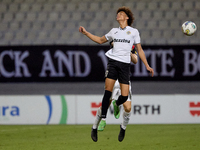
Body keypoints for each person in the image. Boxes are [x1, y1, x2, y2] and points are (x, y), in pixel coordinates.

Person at [79, 6, 154, 142]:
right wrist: (86, 33)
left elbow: (139, 53)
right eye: (117, 14)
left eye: (121, 13)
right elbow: (100, 40)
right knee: (107, 94)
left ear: (127, 17)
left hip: (124, 68)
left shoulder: (133, 32)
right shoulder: (114, 32)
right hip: (113, 63)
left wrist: (147, 65)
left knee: (125, 100)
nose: (118, 15)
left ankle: (120, 116)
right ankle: (99, 123)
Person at [95, 44, 137, 143]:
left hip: (124, 78)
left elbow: (135, 60)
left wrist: (129, 52)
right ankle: (95, 126)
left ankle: (123, 128)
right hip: (113, 78)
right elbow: (112, 44)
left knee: (128, 108)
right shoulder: (116, 39)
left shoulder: (131, 45)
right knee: (106, 104)